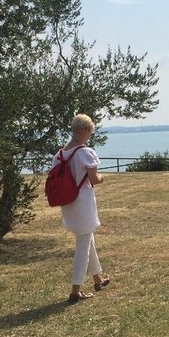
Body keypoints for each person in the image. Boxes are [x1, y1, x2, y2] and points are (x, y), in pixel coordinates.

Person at [53, 113, 110, 304]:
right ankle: (75, 290)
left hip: (68, 203)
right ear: (86, 130)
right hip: (83, 203)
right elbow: (94, 179)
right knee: (83, 245)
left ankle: (97, 279)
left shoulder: (59, 155)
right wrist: (102, 178)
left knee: (86, 237)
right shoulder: (85, 153)